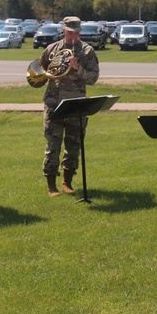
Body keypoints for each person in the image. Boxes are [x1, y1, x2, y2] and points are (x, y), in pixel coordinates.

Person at [31, 16, 100, 196]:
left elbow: (93, 78)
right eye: (70, 33)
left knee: (73, 146)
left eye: (77, 33)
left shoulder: (87, 51)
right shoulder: (51, 49)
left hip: (75, 105)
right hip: (54, 104)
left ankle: (67, 182)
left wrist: (77, 68)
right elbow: (41, 72)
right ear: (63, 31)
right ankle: (51, 185)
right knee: (52, 145)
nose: (73, 37)